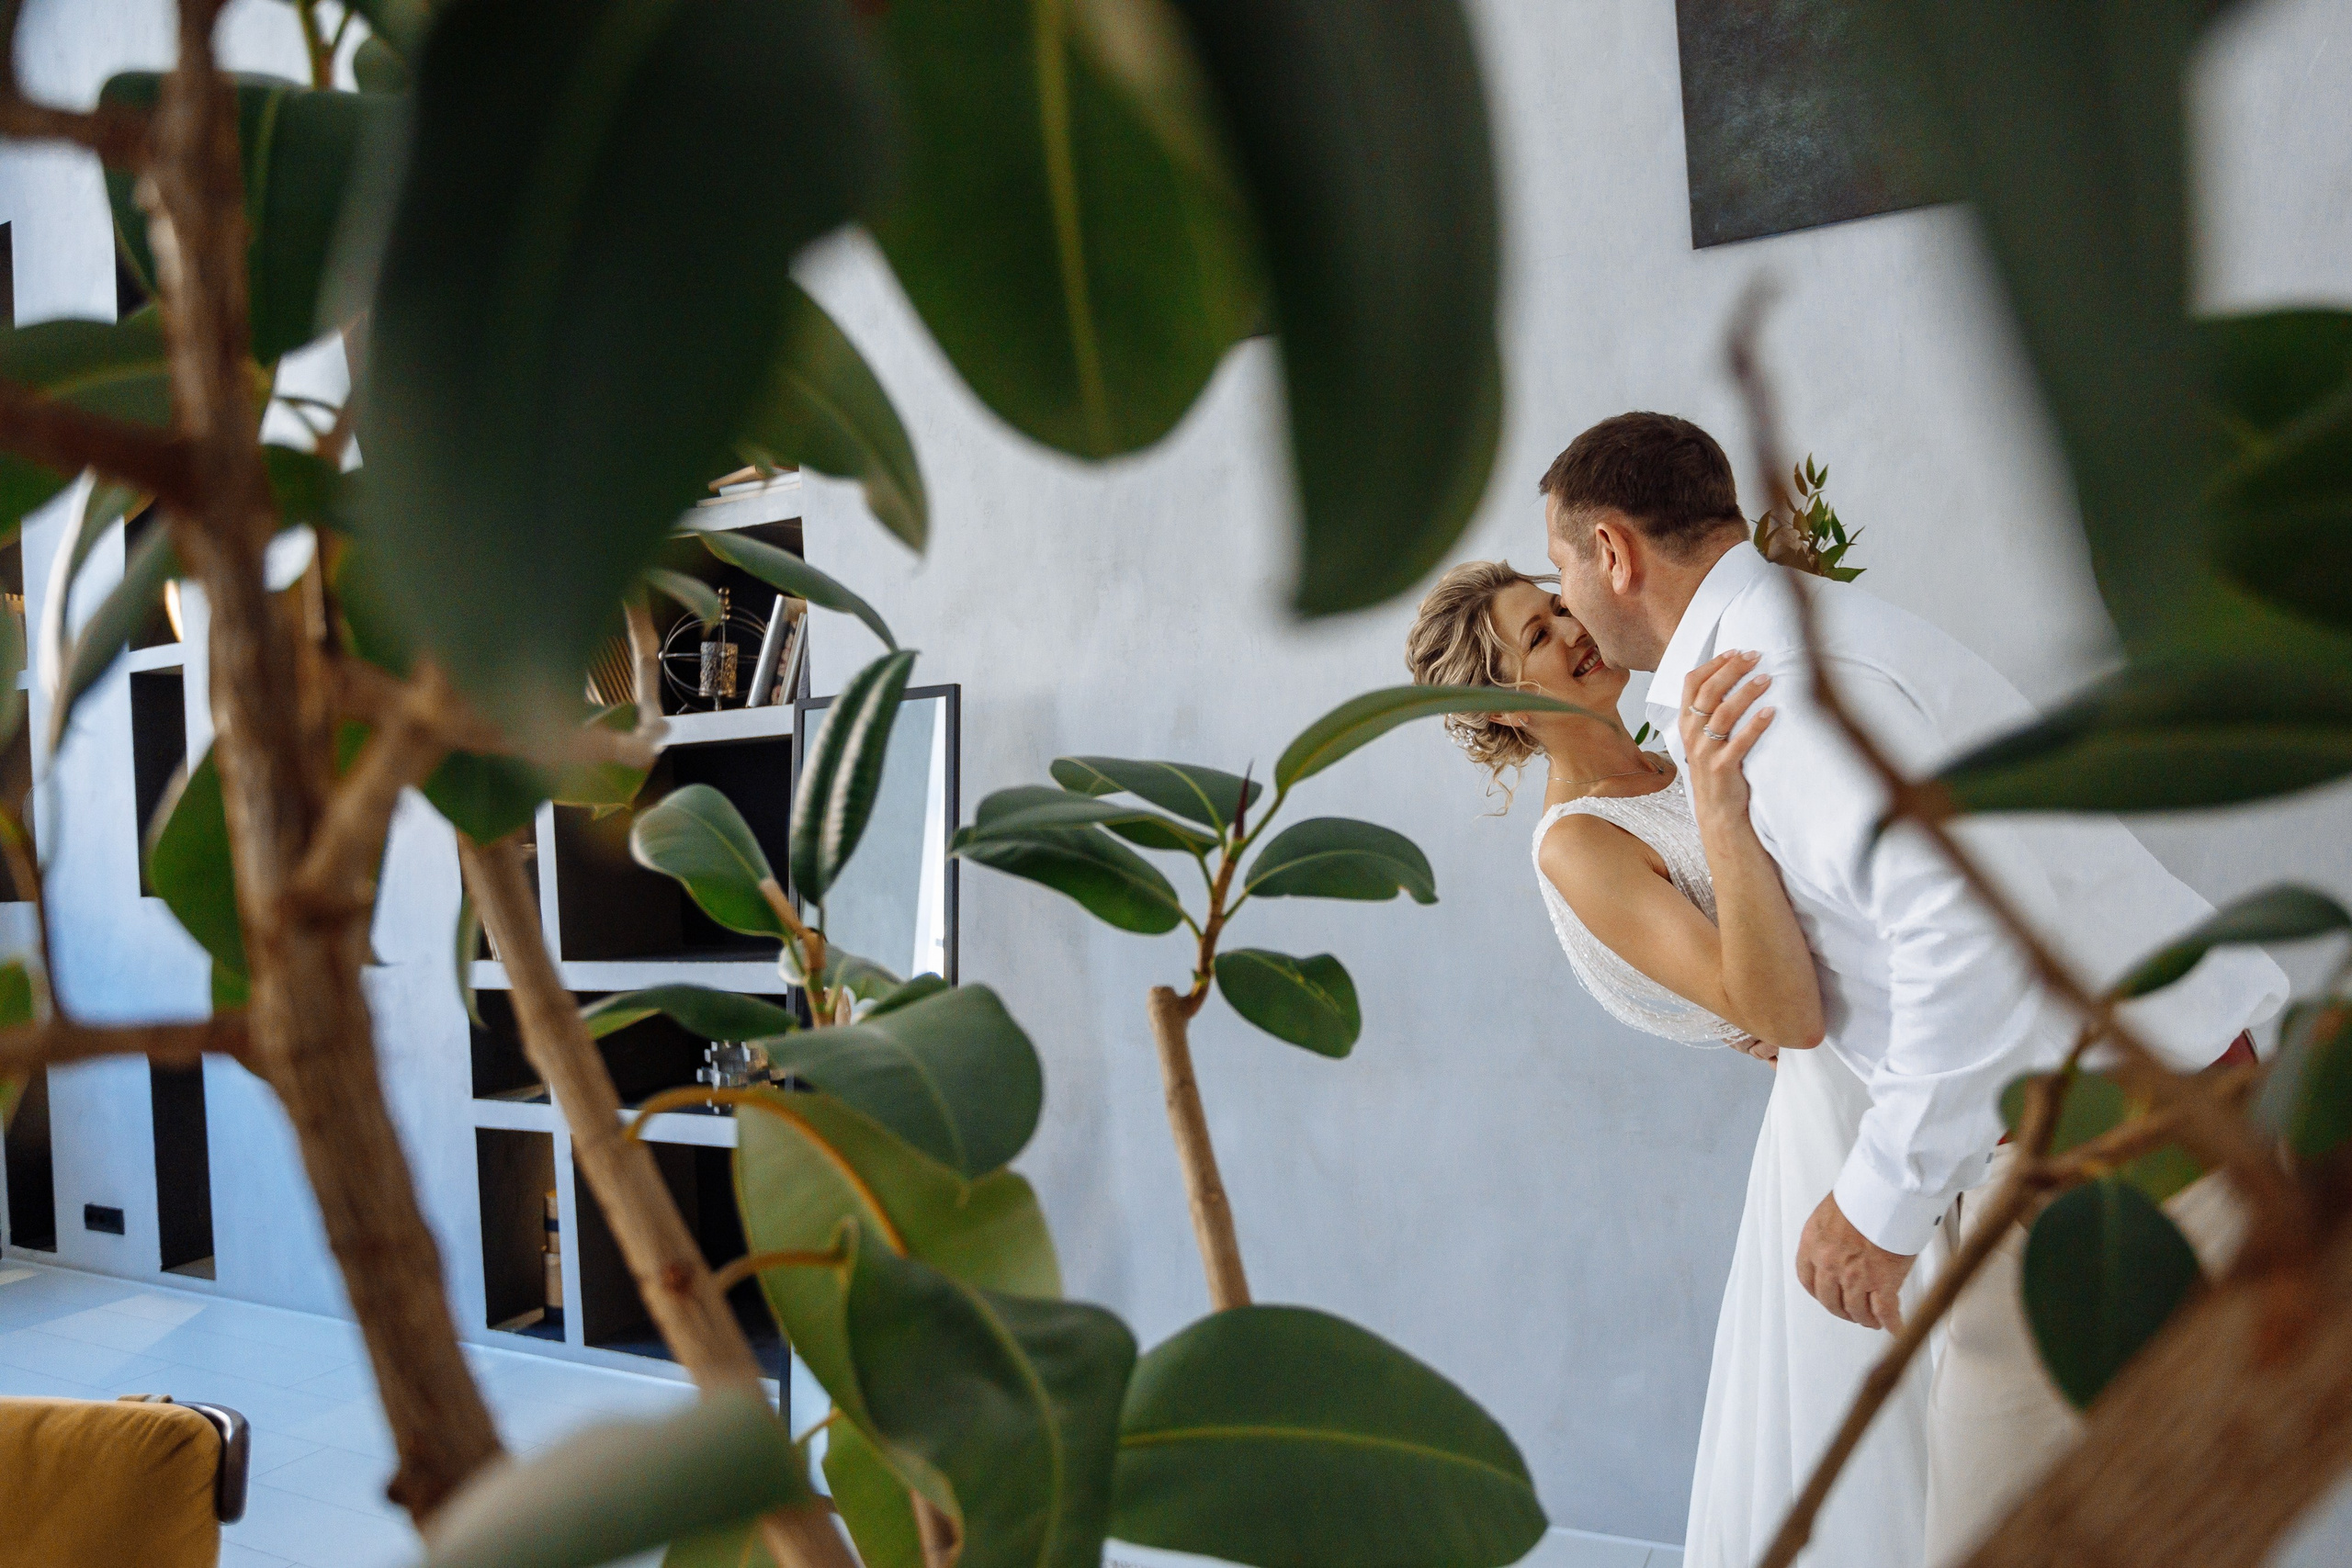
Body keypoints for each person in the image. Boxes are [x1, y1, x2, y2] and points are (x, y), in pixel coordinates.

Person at [1532, 412, 2288, 1564]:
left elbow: (1959, 939)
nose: (1566, 600)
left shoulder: (1772, 687)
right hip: (2135, 1118)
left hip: (2115, 1153)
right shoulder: (1798, 641)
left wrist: (1878, 1206)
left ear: (1614, 552)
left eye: (1559, 570)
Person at [1408, 558, 1935, 1568]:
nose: (1571, 630)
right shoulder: (1578, 846)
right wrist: (1726, 807)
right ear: (1503, 709)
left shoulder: (1675, 750)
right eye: (1534, 636)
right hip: (1837, 1120)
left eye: (1559, 605)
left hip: (1898, 1058)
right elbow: (1776, 1013)